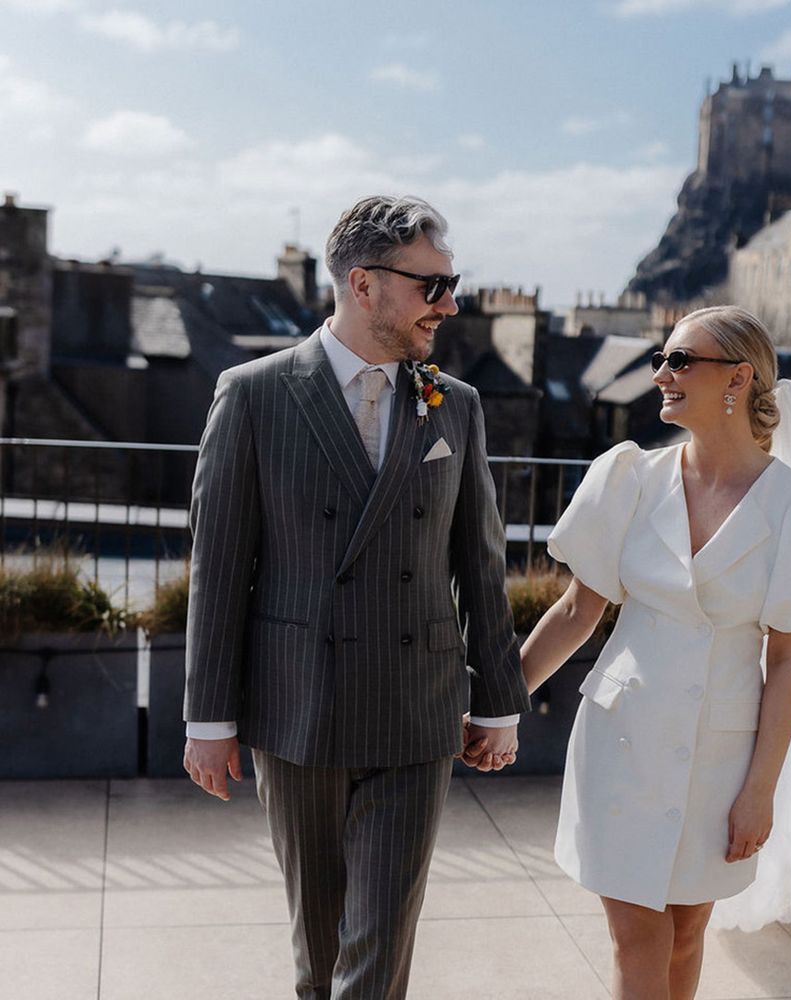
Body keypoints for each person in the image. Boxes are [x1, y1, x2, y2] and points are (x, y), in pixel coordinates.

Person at [182, 195, 531, 1000]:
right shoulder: (254, 393)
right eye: (431, 286)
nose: (448, 305)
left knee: (376, 954)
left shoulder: (456, 403)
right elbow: (219, 566)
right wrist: (208, 719)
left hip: (417, 709)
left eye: (452, 284)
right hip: (299, 703)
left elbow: (480, 562)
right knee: (319, 952)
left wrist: (499, 703)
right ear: (363, 283)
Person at [520, 305, 791, 999]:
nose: (661, 375)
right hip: (620, 739)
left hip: (720, 760)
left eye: (680, 361)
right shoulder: (629, 477)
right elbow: (577, 611)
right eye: (661, 360)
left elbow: (787, 664)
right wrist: (496, 701)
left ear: (737, 378)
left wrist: (760, 792)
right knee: (638, 936)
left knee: (684, 932)